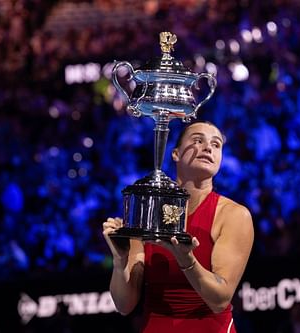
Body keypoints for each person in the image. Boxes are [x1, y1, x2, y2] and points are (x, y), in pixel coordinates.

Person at [102, 121, 254, 333]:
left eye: (216, 144)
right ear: (175, 153)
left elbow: (220, 299)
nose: (208, 148)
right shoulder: (147, 210)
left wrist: (186, 260)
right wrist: (121, 262)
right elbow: (124, 305)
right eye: (198, 140)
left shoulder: (234, 215)